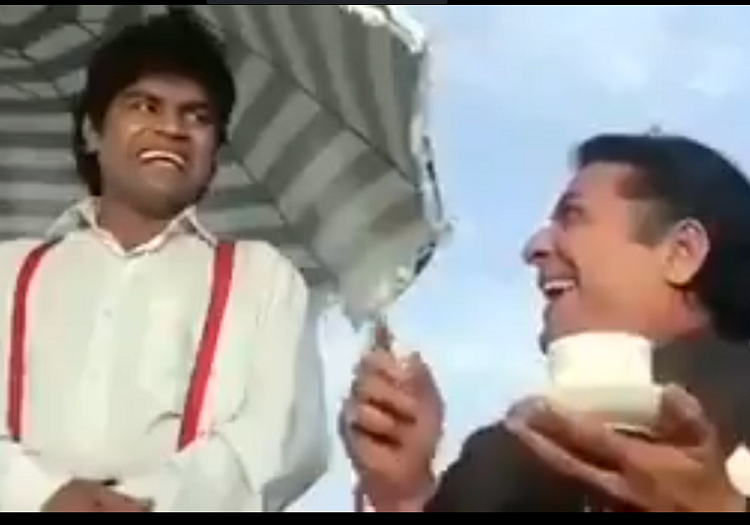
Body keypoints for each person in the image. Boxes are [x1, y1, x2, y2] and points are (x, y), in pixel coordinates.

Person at [0, 10, 328, 512]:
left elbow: (285, 441)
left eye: (198, 117)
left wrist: (145, 501)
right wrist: (43, 497)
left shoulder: (262, 278)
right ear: (92, 131)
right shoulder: (9, 270)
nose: (172, 128)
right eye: (145, 106)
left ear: (215, 152)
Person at [342, 132, 750, 512]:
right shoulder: (510, 459)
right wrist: (405, 491)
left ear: (681, 252)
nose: (534, 248)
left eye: (572, 216)